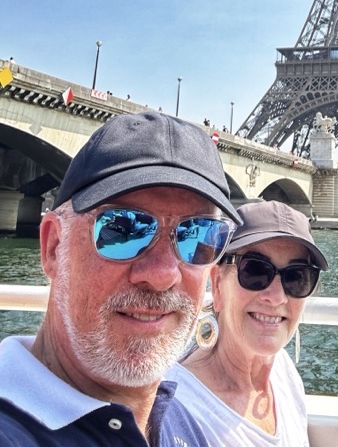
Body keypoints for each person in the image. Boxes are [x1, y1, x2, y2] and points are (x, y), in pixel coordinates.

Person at [0, 110, 241, 445]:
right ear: (54, 247)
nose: (162, 275)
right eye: (123, 229)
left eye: (197, 235)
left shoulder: (182, 420)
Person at [171, 200, 329, 445]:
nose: (276, 297)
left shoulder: (283, 371)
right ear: (218, 285)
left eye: (296, 276)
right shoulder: (178, 410)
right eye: (255, 271)